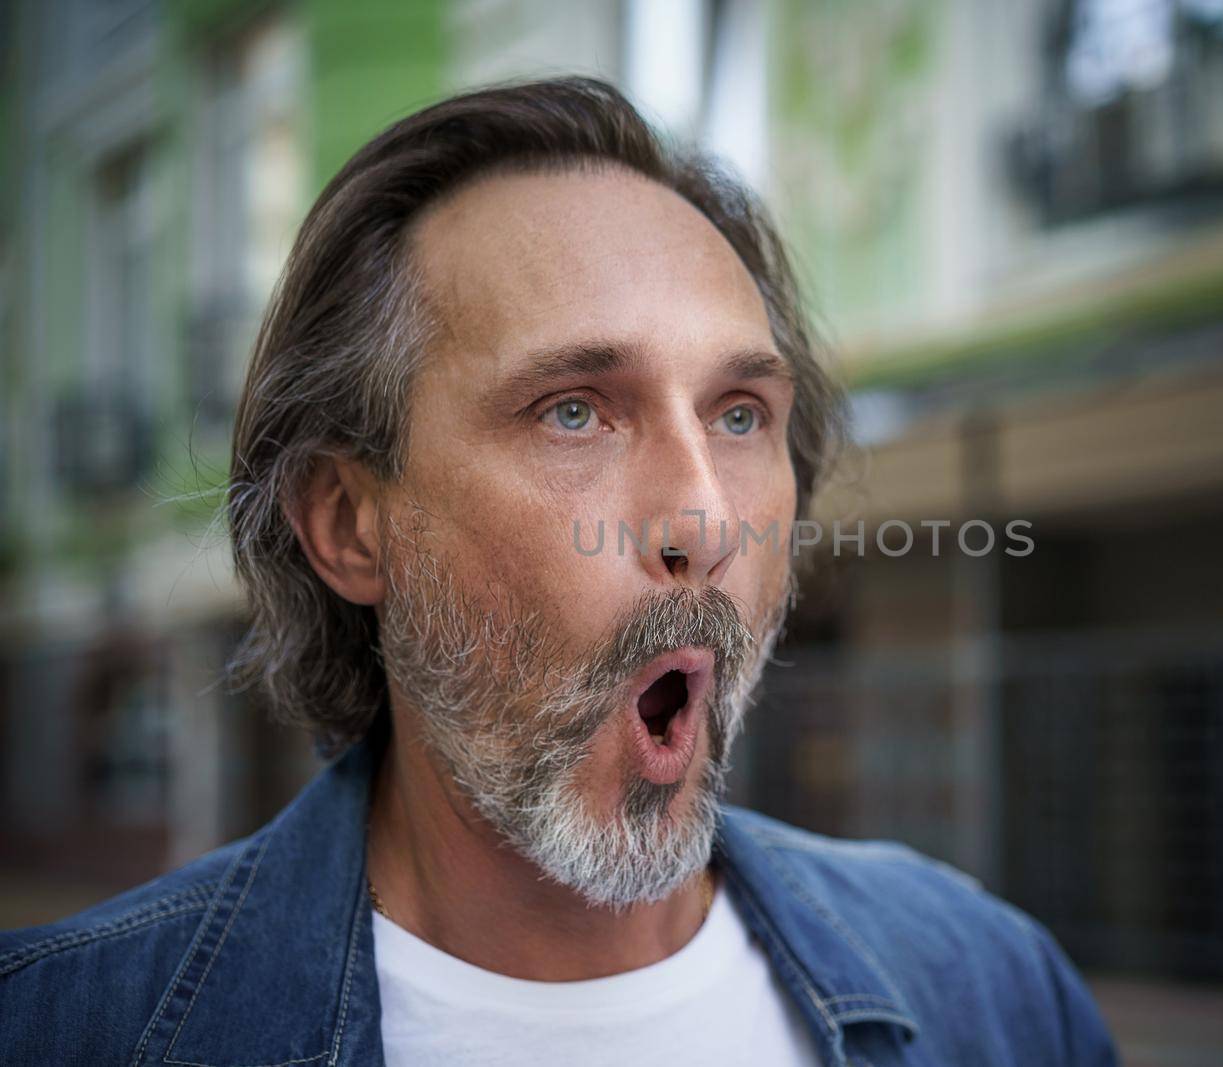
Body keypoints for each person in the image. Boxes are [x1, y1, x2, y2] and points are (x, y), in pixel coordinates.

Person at [0, 78, 1117, 1066]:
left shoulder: (993, 986)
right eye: (573, 411)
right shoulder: (64, 1028)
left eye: (740, 413)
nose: (704, 518)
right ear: (348, 523)